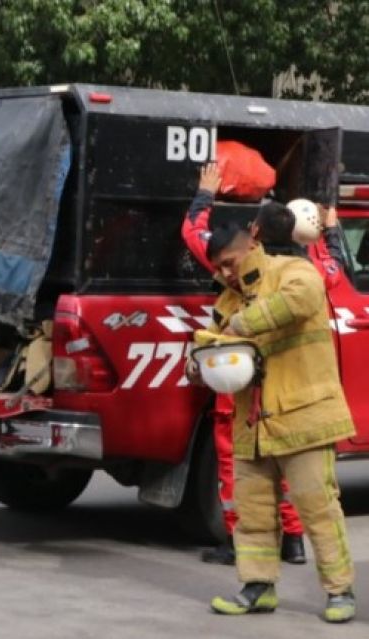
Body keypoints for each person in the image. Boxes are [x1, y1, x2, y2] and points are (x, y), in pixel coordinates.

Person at [182, 163, 346, 566]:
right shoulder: (313, 272)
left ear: (253, 236)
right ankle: (293, 540)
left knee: (236, 467)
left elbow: (193, 234)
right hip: (295, 399)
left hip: (246, 393)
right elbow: (336, 265)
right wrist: (332, 229)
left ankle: (244, 547)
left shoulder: (235, 268)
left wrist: (205, 194)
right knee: (301, 479)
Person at [193, 224, 356, 623]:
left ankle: (340, 592)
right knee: (253, 513)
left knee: (317, 508)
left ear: (250, 244)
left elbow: (302, 299)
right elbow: (207, 342)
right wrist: (197, 365)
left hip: (304, 416)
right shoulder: (228, 301)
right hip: (253, 425)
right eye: (220, 268)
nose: (227, 273)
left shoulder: (292, 272)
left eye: (229, 263)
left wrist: (242, 325)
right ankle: (257, 587)